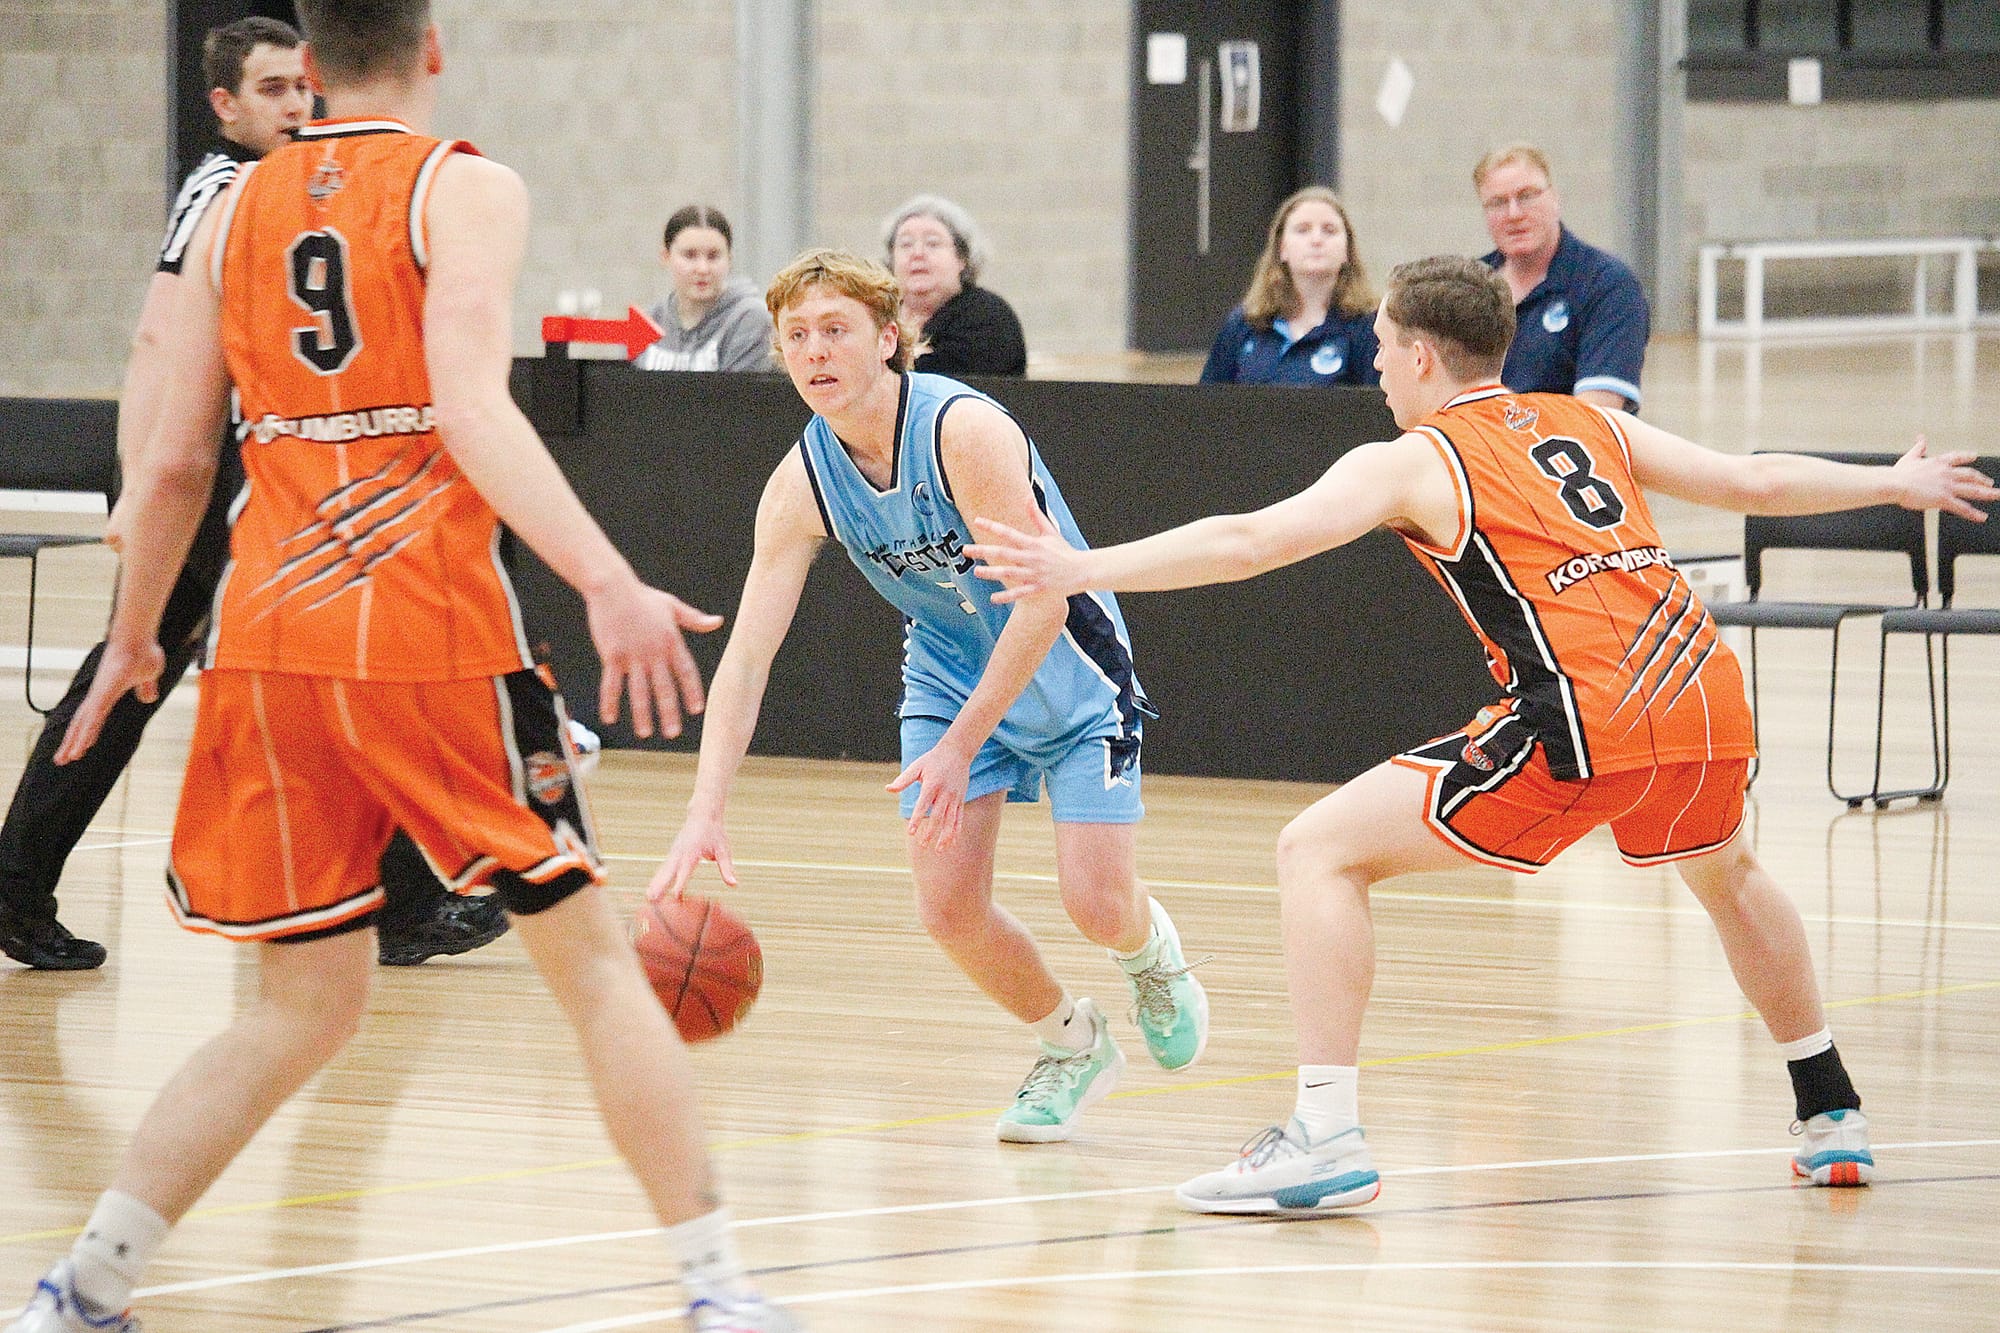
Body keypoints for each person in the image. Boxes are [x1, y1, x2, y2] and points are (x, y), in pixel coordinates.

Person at [4, 4, 795, 1331]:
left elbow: (178, 462)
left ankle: (83, 1284)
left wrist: (136, 633)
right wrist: (608, 581)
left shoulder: (229, 211)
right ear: (432, 49)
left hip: (265, 642)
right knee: (600, 968)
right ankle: (719, 1289)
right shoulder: (462, 186)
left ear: (303, 66)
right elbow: (472, 401)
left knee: (301, 1005)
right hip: (424, 632)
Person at [967, 254, 1997, 1214]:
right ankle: (1829, 1110)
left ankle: (1323, 1132)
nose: (1375, 371)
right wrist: (1886, 483)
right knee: (1724, 872)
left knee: (1314, 849)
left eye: (1380, 352)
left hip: (1582, 715)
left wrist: (1078, 568)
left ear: (1419, 355)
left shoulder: (1414, 458)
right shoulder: (1582, 421)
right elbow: (1753, 482)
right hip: (1702, 694)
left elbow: (1248, 543)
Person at [653, 248, 1207, 1145]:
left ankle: (1149, 955)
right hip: (948, 671)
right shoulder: (800, 485)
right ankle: (1070, 1044)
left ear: (887, 340)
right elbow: (748, 658)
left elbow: (1044, 602)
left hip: (1067, 662)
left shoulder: (964, 432)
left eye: (836, 331)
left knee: (1095, 902)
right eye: (796, 335)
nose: (815, 351)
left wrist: (958, 748)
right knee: (946, 908)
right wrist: (703, 808)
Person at [0, 15, 506, 973]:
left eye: (297, 86)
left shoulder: (294, 187)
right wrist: (137, 485)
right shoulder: (226, 193)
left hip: (238, 473)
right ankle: (401, 902)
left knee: (207, 670)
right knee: (146, 672)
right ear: (224, 106)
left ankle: (18, 883)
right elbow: (156, 343)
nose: (293, 105)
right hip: (203, 477)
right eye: (269, 91)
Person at [1475, 143, 1648, 412]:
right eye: (1497, 203)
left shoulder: (1607, 286)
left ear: (1555, 199)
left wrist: (1490, 417)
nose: (1514, 214)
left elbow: (1597, 415)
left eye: (1527, 196)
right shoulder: (1466, 288)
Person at [1199, 186, 1380, 387]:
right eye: (1303, 230)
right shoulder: (1245, 323)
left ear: (1347, 249)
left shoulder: (1369, 326)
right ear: (1282, 248)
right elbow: (1206, 403)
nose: (1316, 240)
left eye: (1329, 230)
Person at [883, 195, 1027, 376]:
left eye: (932, 243)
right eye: (906, 244)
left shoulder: (988, 315)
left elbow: (941, 377)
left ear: (962, 259)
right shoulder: (877, 314)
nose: (917, 253)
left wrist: (892, 359)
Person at [635, 204, 775, 373]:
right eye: (689, 255)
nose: (702, 269)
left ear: (729, 260)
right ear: (665, 257)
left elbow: (738, 396)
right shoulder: (648, 320)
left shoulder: (751, 319)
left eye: (713, 256)